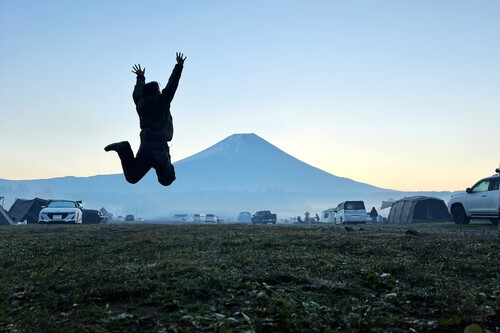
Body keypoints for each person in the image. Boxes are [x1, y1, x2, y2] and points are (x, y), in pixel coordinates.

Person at [105, 52, 186, 186]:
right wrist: (179, 66)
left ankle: (123, 148)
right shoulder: (162, 101)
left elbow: (137, 92)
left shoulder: (140, 103)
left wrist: (140, 77)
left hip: (146, 145)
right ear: (157, 92)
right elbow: (172, 85)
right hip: (160, 145)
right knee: (167, 179)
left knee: (132, 177)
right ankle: (161, 161)